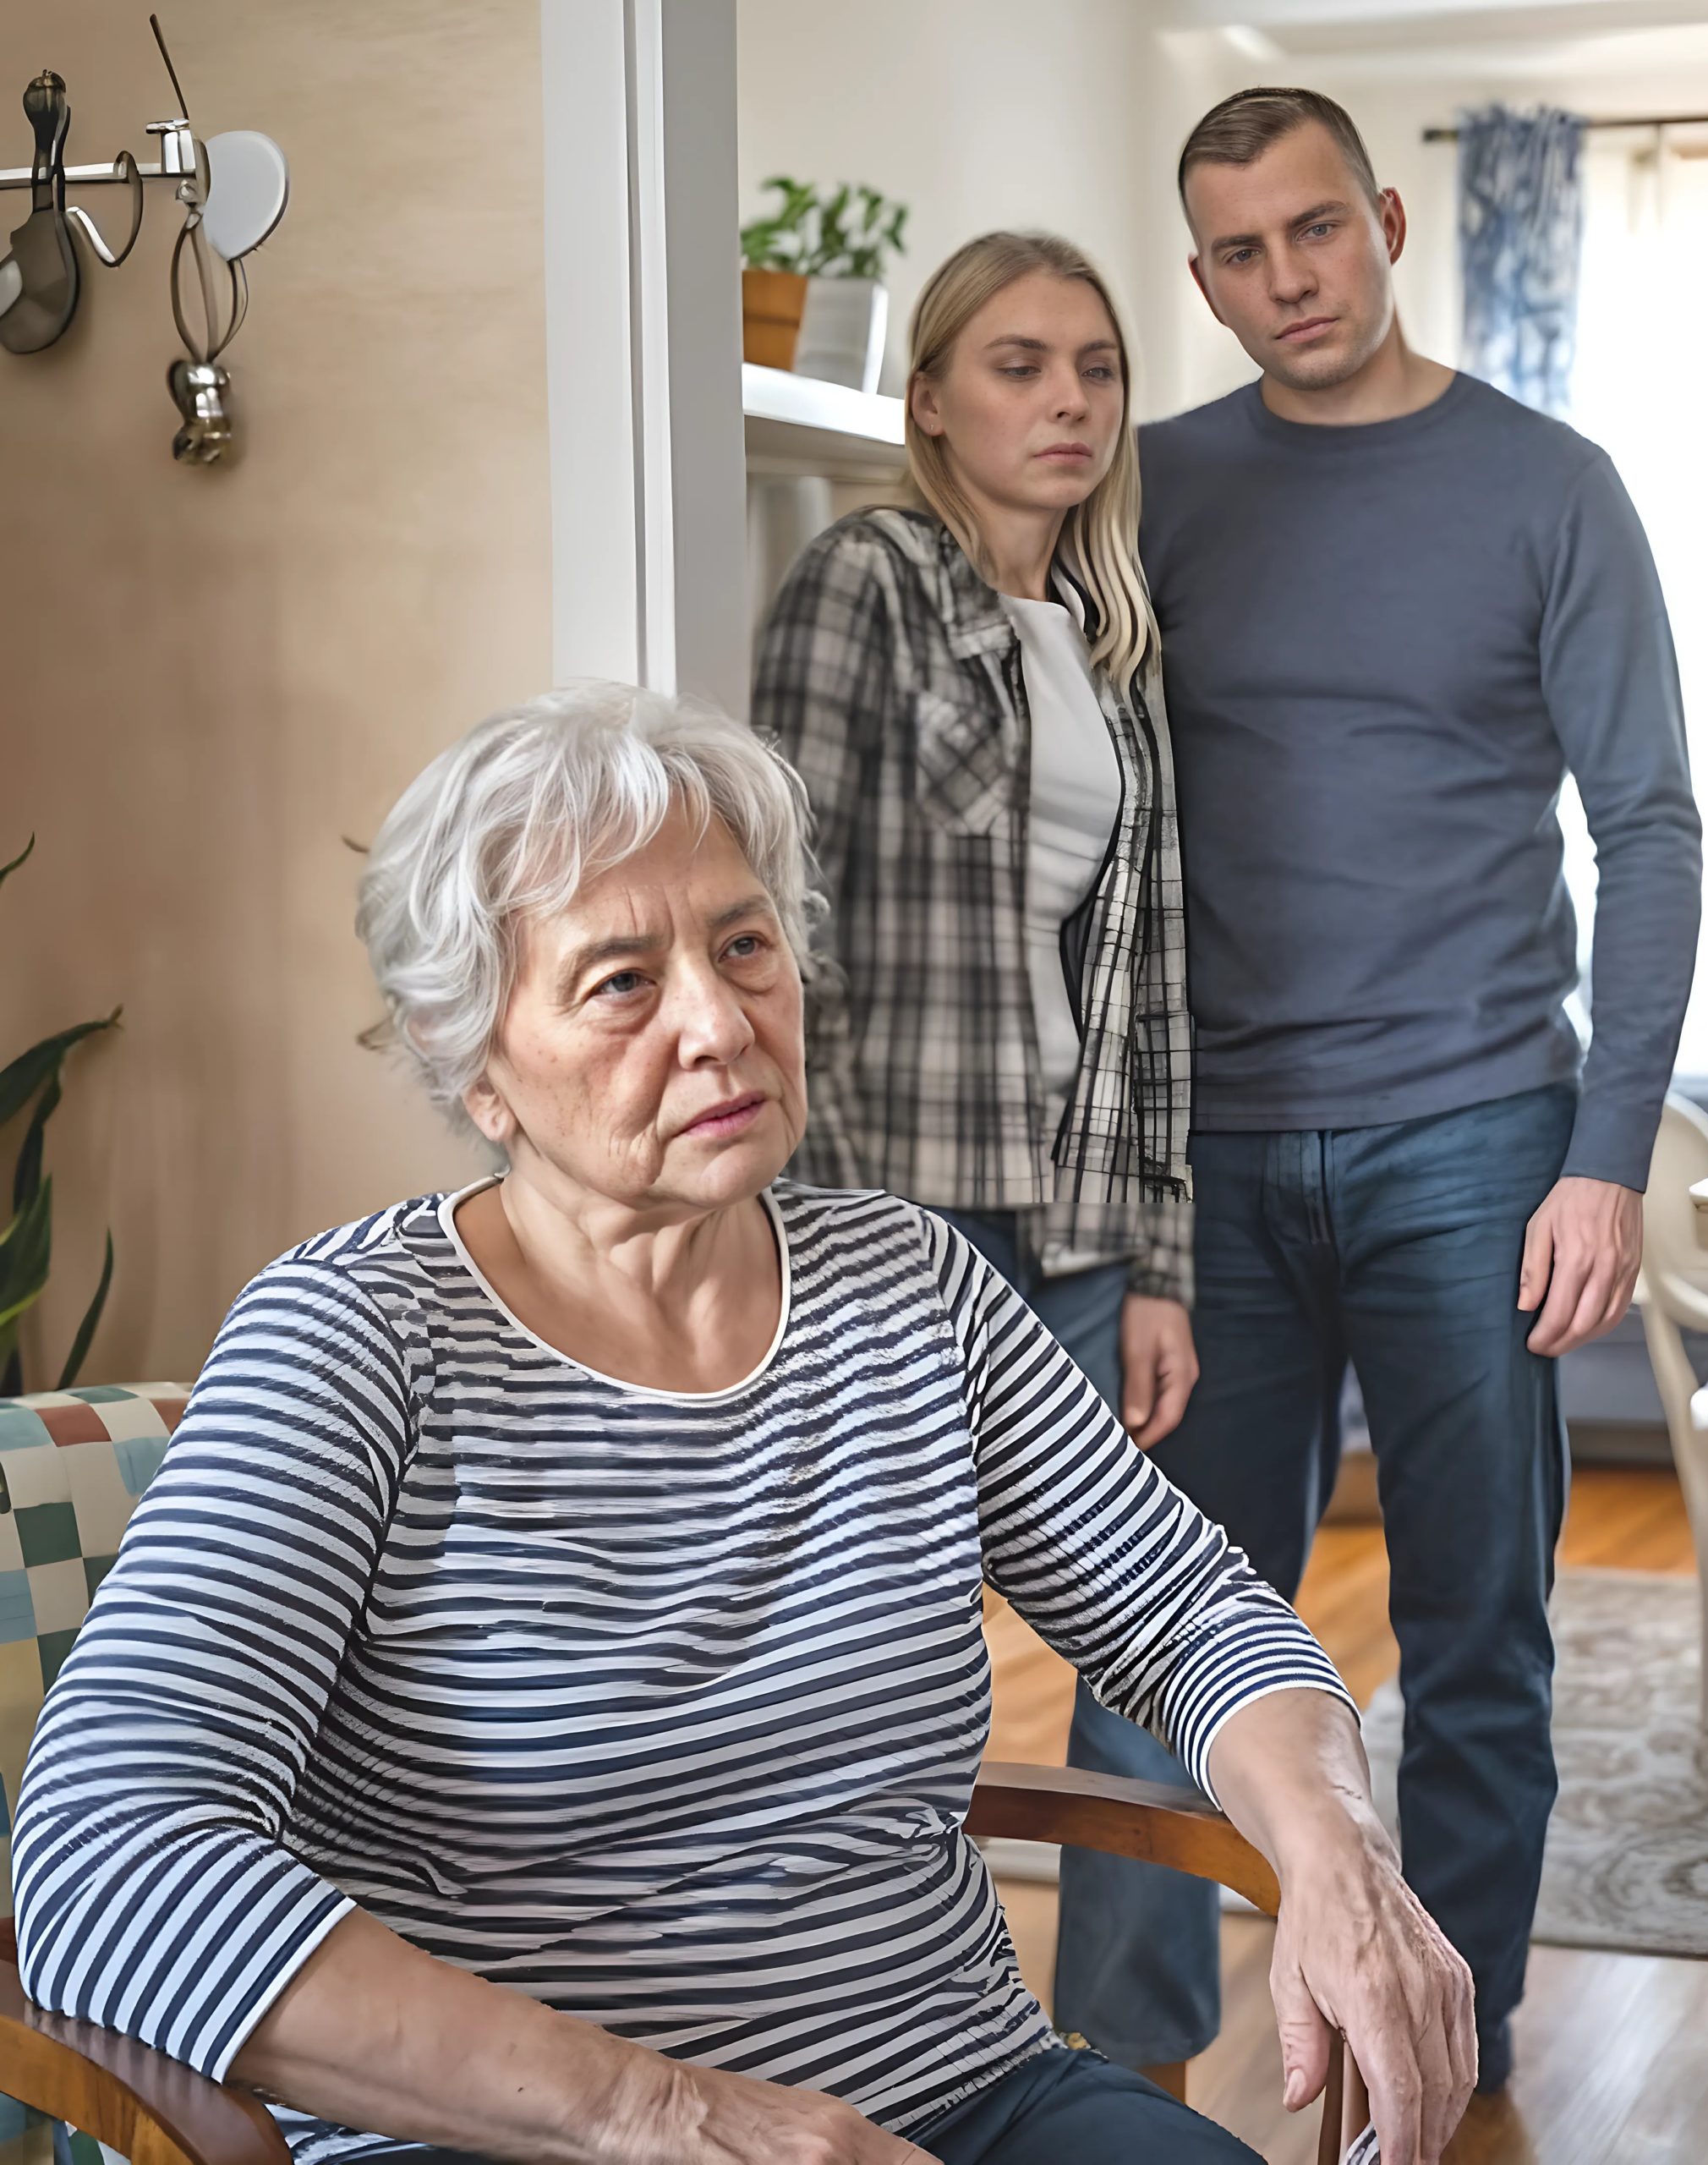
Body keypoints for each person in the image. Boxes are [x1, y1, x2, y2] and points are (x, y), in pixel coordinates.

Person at [14, 686, 1476, 2165]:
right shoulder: (354, 1340)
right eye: (620, 982)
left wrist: (1340, 1851)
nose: (720, 1025)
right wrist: (673, 2117)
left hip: (958, 2097)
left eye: (743, 945)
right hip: (518, 2140)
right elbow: (105, 1859)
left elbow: (1192, 1614)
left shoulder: (911, 1287)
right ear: (474, 1064)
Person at [1054, 87, 1704, 2094]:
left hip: (1477, 1136)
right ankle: (1119, 2067)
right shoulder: (1146, 488)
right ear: (1199, 277)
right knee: (1154, 1621)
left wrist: (1603, 1159)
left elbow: (1648, 826)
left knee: (1476, 1629)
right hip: (1206, 1160)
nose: (1287, 279)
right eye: (1240, 252)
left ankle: (1453, 2036)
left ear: (1390, 222)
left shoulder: (1550, 488)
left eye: (1315, 229)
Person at [755, 232, 1199, 1489]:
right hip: (908, 1197)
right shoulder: (866, 581)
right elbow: (777, 921)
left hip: (1086, 1213)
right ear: (931, 404)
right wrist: (833, 1224)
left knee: (1110, 1569)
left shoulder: (1116, 643)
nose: (1072, 400)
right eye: (1021, 366)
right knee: (906, 1576)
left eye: (1098, 369)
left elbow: (1152, 974)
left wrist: (1162, 1266)